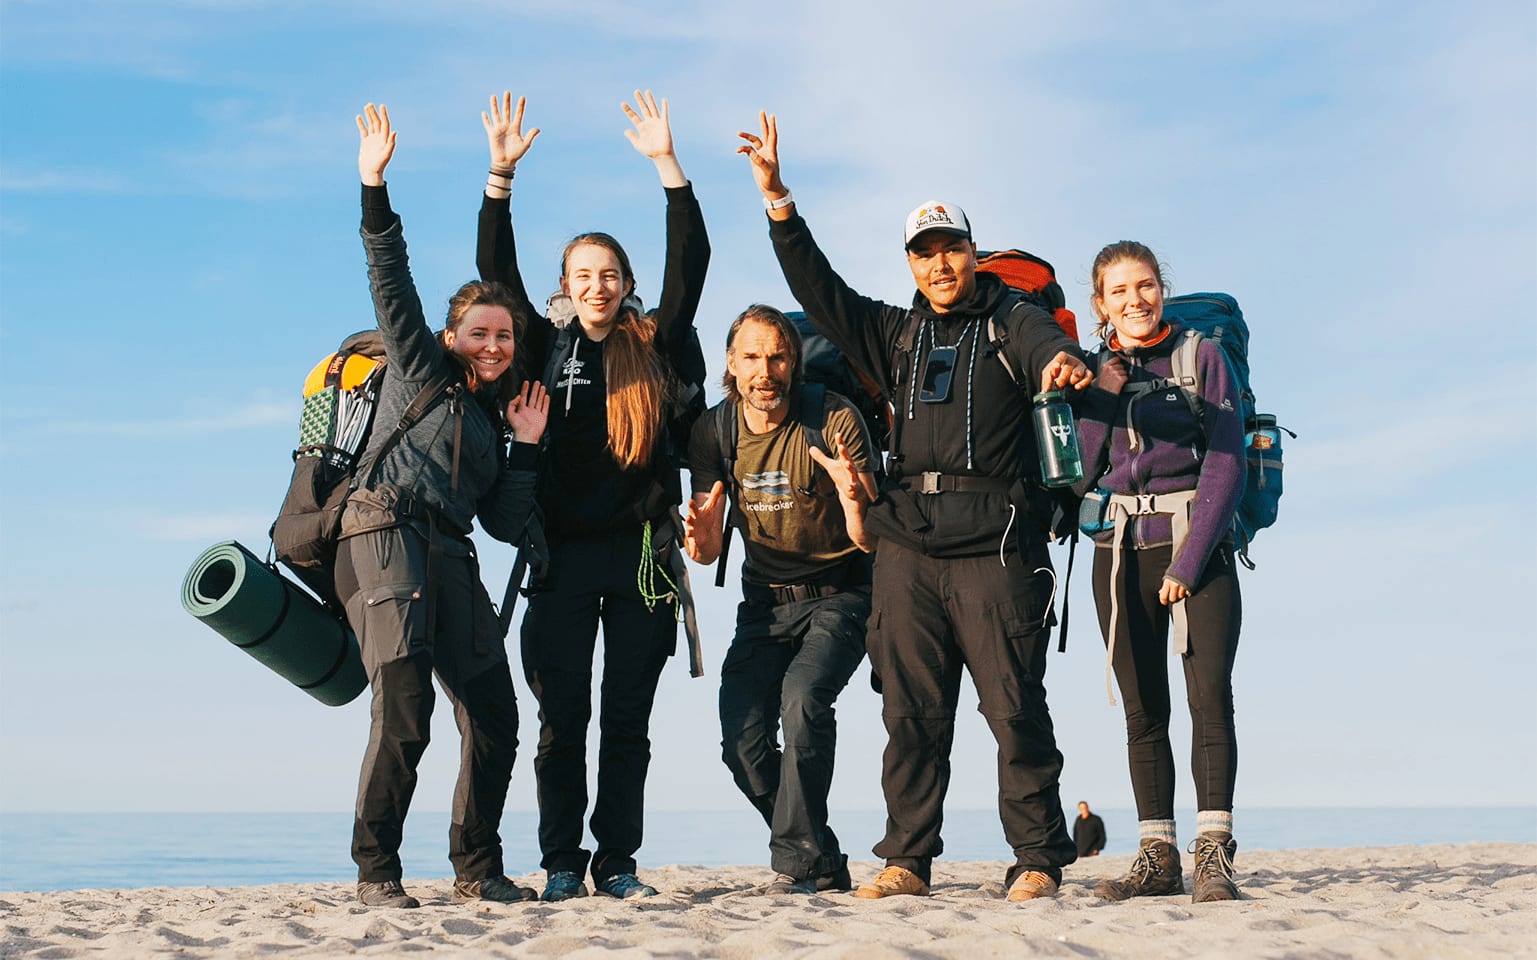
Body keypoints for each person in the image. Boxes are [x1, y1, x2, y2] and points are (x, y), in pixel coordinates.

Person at [737, 112, 1091, 903]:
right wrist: (777, 201)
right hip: (907, 546)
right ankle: (907, 857)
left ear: (971, 252)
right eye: (924, 252)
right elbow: (817, 291)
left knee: (1013, 709)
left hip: (998, 543)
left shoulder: (1010, 318)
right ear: (911, 262)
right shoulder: (892, 335)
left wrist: (1063, 363)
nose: (939, 263)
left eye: (951, 248)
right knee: (911, 713)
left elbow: (1044, 348)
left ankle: (1035, 856)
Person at [475, 91, 710, 901]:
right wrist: (500, 178)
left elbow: (693, 265)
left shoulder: (656, 342)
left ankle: (616, 861)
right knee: (560, 719)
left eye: (609, 274)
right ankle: (561, 862)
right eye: (583, 275)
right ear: (567, 286)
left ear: (627, 282)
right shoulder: (543, 344)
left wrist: (666, 168)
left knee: (626, 723)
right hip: (561, 557)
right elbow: (494, 274)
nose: (597, 285)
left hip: (642, 553)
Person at [343, 103, 550, 909]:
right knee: (407, 709)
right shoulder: (419, 363)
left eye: (503, 335)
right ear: (452, 334)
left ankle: (477, 869)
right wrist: (374, 183)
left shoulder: (500, 426)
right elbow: (388, 277)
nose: (493, 345)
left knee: (495, 715)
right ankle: (376, 872)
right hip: (382, 530)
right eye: (478, 333)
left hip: (451, 551)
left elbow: (502, 522)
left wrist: (527, 449)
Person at [681, 305, 878, 895]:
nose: (764, 370)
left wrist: (852, 498)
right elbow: (709, 551)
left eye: (776, 356)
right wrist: (704, 538)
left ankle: (794, 862)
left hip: (842, 592)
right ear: (731, 364)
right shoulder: (713, 432)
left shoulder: (835, 419)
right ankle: (818, 854)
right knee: (740, 743)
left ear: (793, 362)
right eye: (751, 357)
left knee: (803, 702)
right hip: (763, 601)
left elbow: (870, 537)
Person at [1074, 241, 1245, 903]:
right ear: (1101, 304)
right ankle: (1157, 856)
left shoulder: (1200, 355)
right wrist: (1102, 393)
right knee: (1143, 711)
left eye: (1143, 286)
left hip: (1194, 548)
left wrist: (1189, 559)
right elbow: (1082, 470)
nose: (1134, 301)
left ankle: (1212, 855)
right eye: (1119, 292)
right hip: (1116, 552)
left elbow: (1225, 461)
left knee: (1208, 701)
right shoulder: (1093, 370)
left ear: (1159, 289)